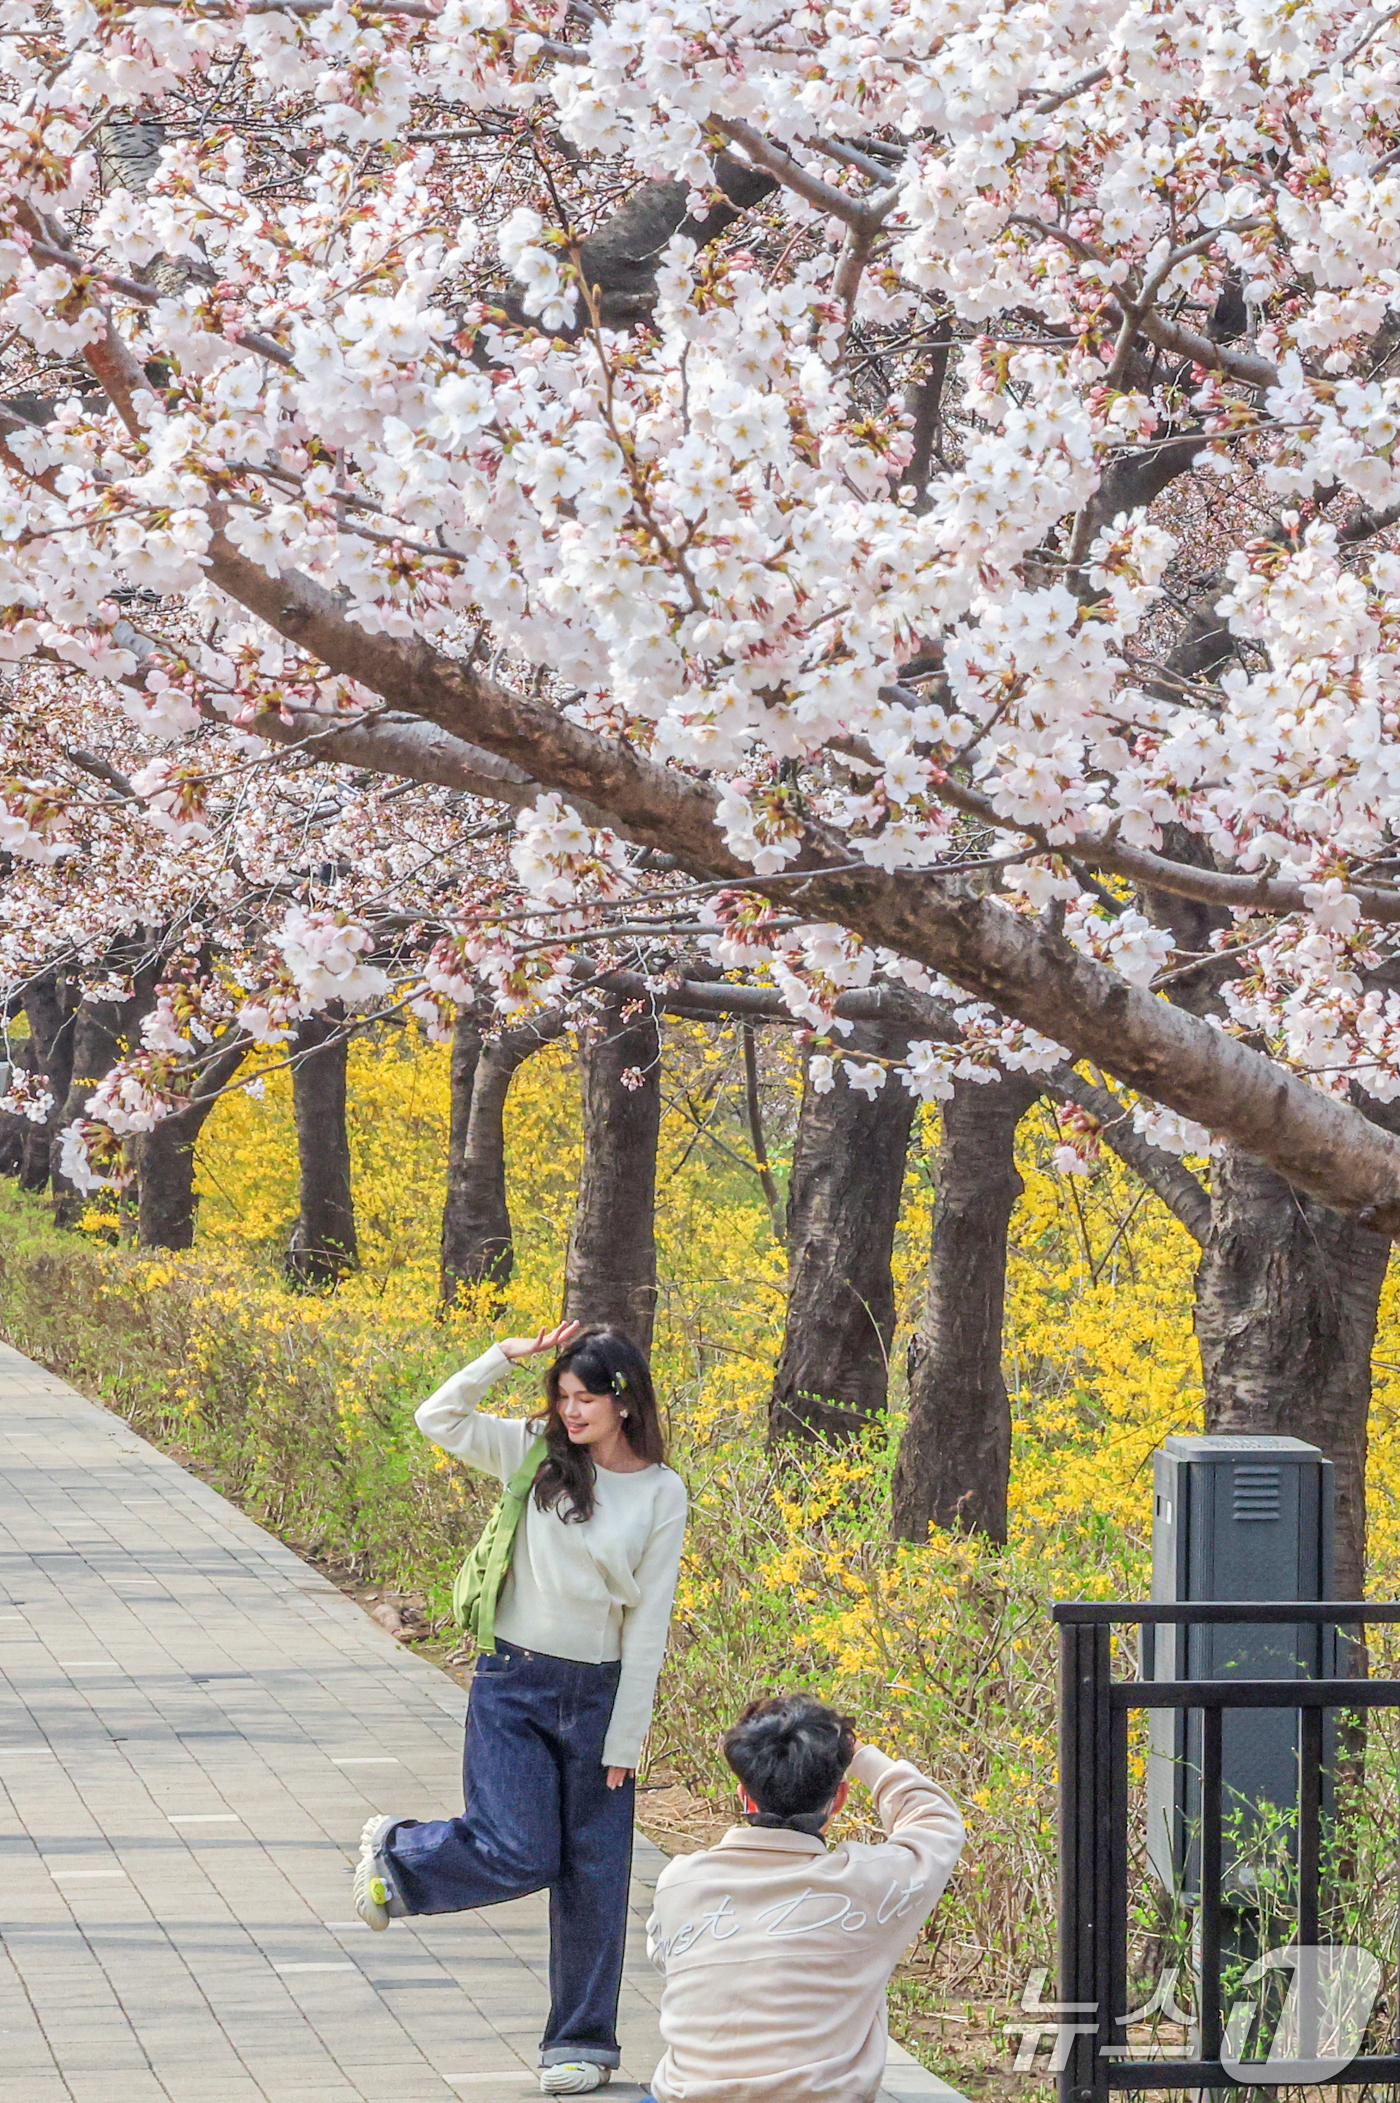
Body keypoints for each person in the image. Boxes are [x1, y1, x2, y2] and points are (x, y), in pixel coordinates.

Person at [352, 1319, 688, 2097]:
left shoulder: (662, 1491)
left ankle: (581, 2046)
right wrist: (503, 1356)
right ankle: (401, 1854)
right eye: (562, 1395)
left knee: (597, 1875)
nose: (571, 1412)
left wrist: (626, 1735)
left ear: (625, 1401)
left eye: (586, 1398)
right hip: (512, 1680)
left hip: (599, 1691)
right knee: (519, 1849)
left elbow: (650, 1622)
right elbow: (437, 1417)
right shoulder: (536, 1450)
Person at [640, 1694, 964, 2103]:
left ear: (744, 1796)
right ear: (840, 1798)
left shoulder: (678, 1884)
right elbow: (937, 1821)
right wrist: (860, 1754)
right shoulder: (868, 1884)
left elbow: (663, 1956)